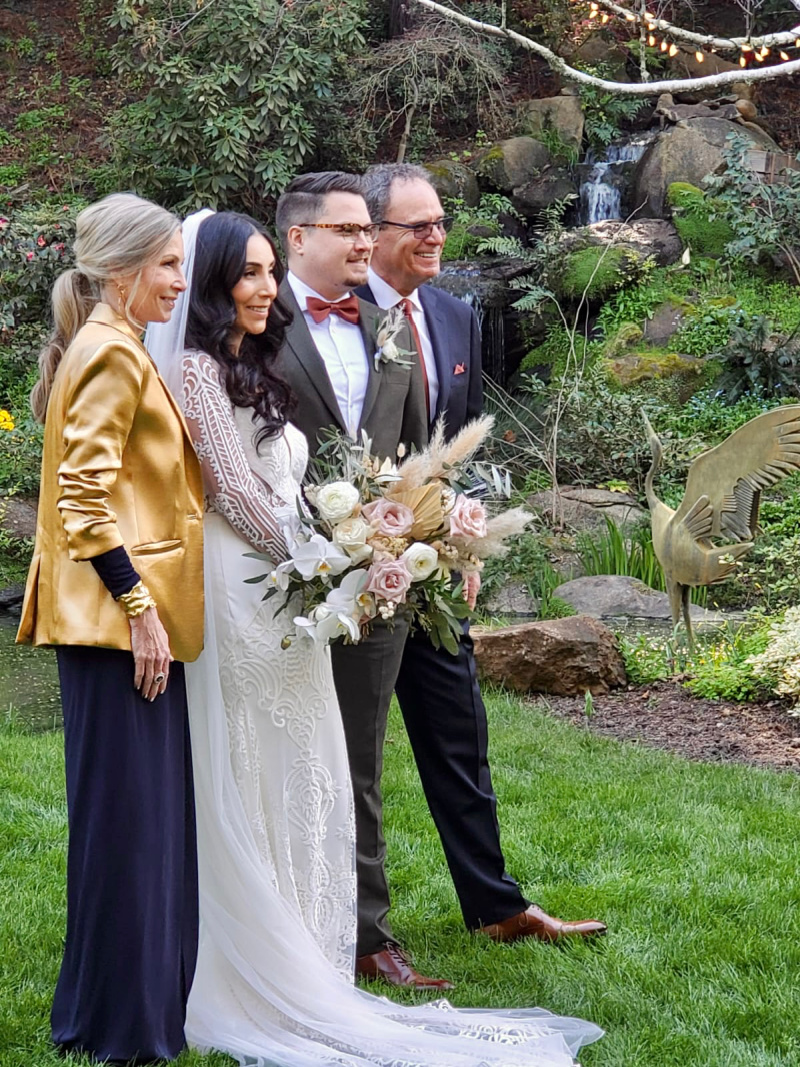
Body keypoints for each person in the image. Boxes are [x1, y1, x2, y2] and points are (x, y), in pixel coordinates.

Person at [146, 206, 603, 1067]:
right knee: (254, 765)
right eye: (245, 273)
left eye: (265, 273)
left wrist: (370, 543)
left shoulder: (254, 359)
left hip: (298, 584)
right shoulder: (196, 373)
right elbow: (232, 492)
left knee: (311, 763)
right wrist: (337, 560)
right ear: (209, 281)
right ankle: (252, 956)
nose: (263, 287)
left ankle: (316, 945)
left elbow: (297, 478)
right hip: (248, 590)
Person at [357, 162, 608, 948]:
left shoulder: (457, 316)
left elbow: (453, 453)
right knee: (350, 756)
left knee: (460, 736)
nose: (437, 236)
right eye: (418, 225)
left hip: (431, 571)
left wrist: (464, 544)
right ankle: (361, 928)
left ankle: (498, 907)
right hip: (348, 570)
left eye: (440, 222)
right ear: (372, 235)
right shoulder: (334, 317)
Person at [16, 192, 203, 1064]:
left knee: (128, 827)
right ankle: (125, 1030)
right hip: (116, 633)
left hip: (111, 630)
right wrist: (141, 612)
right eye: (167, 263)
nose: (180, 279)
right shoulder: (112, 355)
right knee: (133, 832)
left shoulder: (107, 343)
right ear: (123, 271)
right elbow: (83, 502)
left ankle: (102, 1019)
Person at [273, 171, 446, 989]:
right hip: (273, 583)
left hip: (378, 583)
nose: (363, 243)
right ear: (297, 239)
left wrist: (423, 548)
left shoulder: (390, 326)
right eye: (345, 230)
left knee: (360, 757)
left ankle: (368, 933)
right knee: (278, 750)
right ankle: (278, 916)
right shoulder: (251, 324)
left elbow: (416, 454)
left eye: (364, 230)